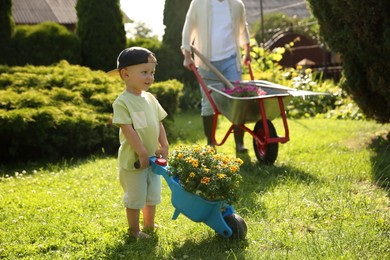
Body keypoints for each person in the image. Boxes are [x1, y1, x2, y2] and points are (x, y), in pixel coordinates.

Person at [110, 47, 169, 239]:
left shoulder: (150, 98)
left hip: (152, 158)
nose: (150, 77)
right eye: (144, 72)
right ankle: (134, 232)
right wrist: (142, 153)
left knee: (152, 194)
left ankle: (149, 225)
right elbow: (128, 130)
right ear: (125, 74)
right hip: (134, 160)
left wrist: (164, 145)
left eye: (152, 72)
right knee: (136, 197)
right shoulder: (122, 102)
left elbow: (158, 123)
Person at [181, 0, 251, 153]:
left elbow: (242, 29)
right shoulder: (199, 3)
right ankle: (210, 142)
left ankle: (239, 143)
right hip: (206, 61)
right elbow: (188, 27)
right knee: (208, 103)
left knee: (238, 101)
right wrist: (187, 55)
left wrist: (247, 52)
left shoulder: (237, 5)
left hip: (231, 60)